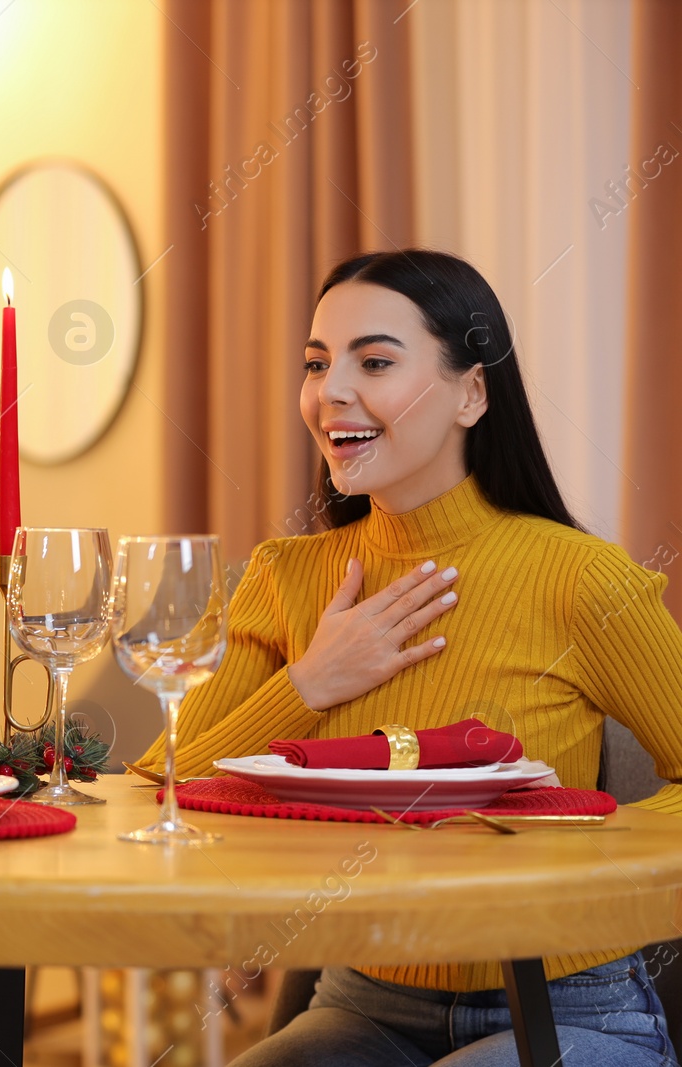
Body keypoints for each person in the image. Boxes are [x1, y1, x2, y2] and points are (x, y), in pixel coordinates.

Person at [135, 249, 682, 1065]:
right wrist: (311, 680)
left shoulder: (581, 576)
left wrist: (578, 847)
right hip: (365, 1000)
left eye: (376, 361)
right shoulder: (288, 575)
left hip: (568, 1004)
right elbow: (168, 791)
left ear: (472, 391)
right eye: (318, 364)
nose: (332, 393)